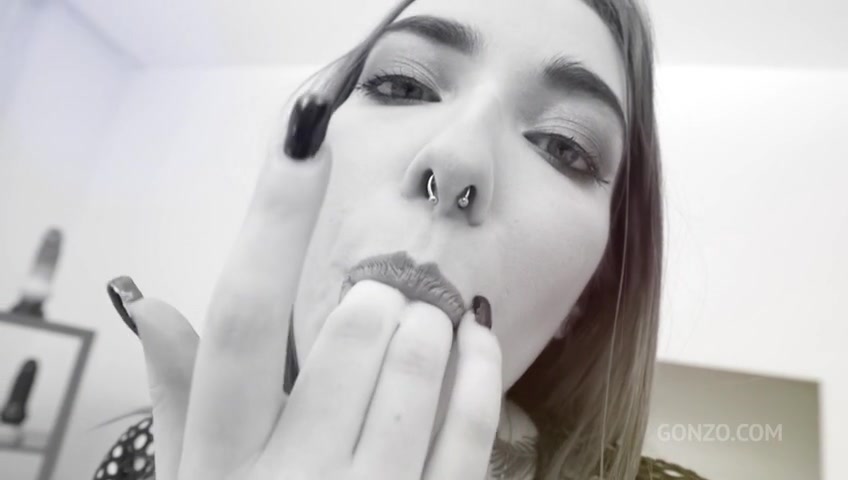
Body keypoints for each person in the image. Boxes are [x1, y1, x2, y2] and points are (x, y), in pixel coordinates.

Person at [94, 0, 706, 478]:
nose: (458, 159)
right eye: (403, 85)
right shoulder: (149, 456)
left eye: (564, 145)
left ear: (589, 291)